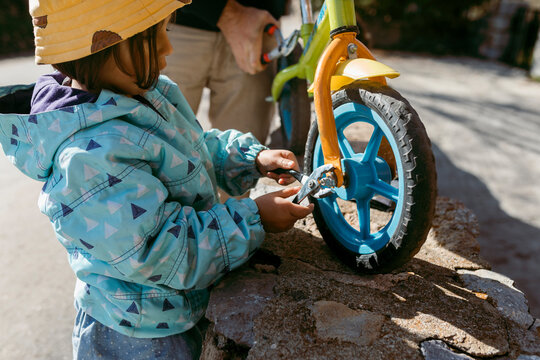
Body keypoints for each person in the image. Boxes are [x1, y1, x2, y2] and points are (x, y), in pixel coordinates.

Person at [0, 0, 313, 358]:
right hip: (141, 335)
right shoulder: (88, 159)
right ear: (103, 46)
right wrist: (253, 218)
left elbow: (193, 150)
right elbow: (162, 252)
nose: (168, 46)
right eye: (155, 35)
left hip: (179, 307)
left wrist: (250, 159)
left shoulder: (147, 91)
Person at [164, 0, 288, 144]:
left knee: (244, 155)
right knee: (159, 149)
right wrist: (231, 15)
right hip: (177, 23)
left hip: (256, 25)